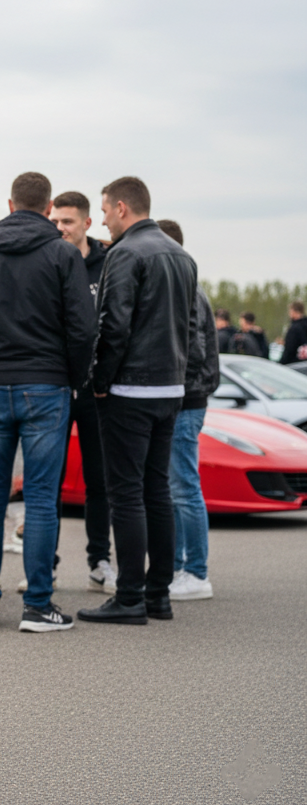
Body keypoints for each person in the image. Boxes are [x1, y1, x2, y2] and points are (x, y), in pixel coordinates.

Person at [0, 171, 95, 633]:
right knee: (40, 497)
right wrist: (70, 377)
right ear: (48, 206)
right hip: (47, 386)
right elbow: (83, 328)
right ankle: (37, 604)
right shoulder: (62, 253)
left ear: (10, 204)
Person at [78, 177, 198, 626]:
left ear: (123, 207)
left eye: (106, 210)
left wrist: (100, 381)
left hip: (130, 388)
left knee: (125, 493)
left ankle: (128, 596)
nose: (104, 219)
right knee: (157, 491)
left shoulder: (125, 253)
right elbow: (189, 325)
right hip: (170, 388)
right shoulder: (181, 254)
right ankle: (157, 595)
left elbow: (113, 324)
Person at [48, 190, 115, 593]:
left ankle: (100, 561)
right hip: (55, 384)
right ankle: (46, 564)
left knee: (99, 480)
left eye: (67, 221)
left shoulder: (107, 263)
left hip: (95, 390)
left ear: (87, 224)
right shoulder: (48, 259)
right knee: (48, 481)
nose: (59, 228)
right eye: (55, 220)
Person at [155, 219, 217, 602]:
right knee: (176, 486)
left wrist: (175, 388)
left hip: (185, 399)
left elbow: (192, 350)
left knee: (183, 487)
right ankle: (182, 567)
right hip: (188, 396)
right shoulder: (191, 285)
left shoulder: (185, 287)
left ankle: (196, 572)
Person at [281, 300, 307, 364]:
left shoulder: (294, 329)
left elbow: (289, 350)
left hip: (294, 364)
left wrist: (281, 364)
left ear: (294, 311)